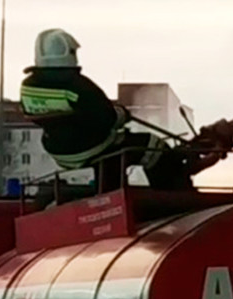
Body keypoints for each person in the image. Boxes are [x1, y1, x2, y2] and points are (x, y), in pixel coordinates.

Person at [19, 29, 193, 192]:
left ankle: (111, 190)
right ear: (69, 53)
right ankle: (172, 195)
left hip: (60, 151)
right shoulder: (78, 85)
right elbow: (106, 118)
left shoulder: (27, 87)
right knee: (153, 146)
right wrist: (121, 115)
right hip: (91, 148)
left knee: (117, 148)